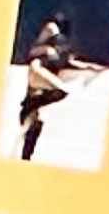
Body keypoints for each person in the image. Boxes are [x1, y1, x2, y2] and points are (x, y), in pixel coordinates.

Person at [16, 14, 83, 160]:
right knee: (39, 114)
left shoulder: (59, 50)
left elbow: (68, 61)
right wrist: (47, 49)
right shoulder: (44, 47)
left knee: (39, 119)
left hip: (39, 91)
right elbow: (33, 55)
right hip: (37, 82)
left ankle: (26, 155)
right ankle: (25, 155)